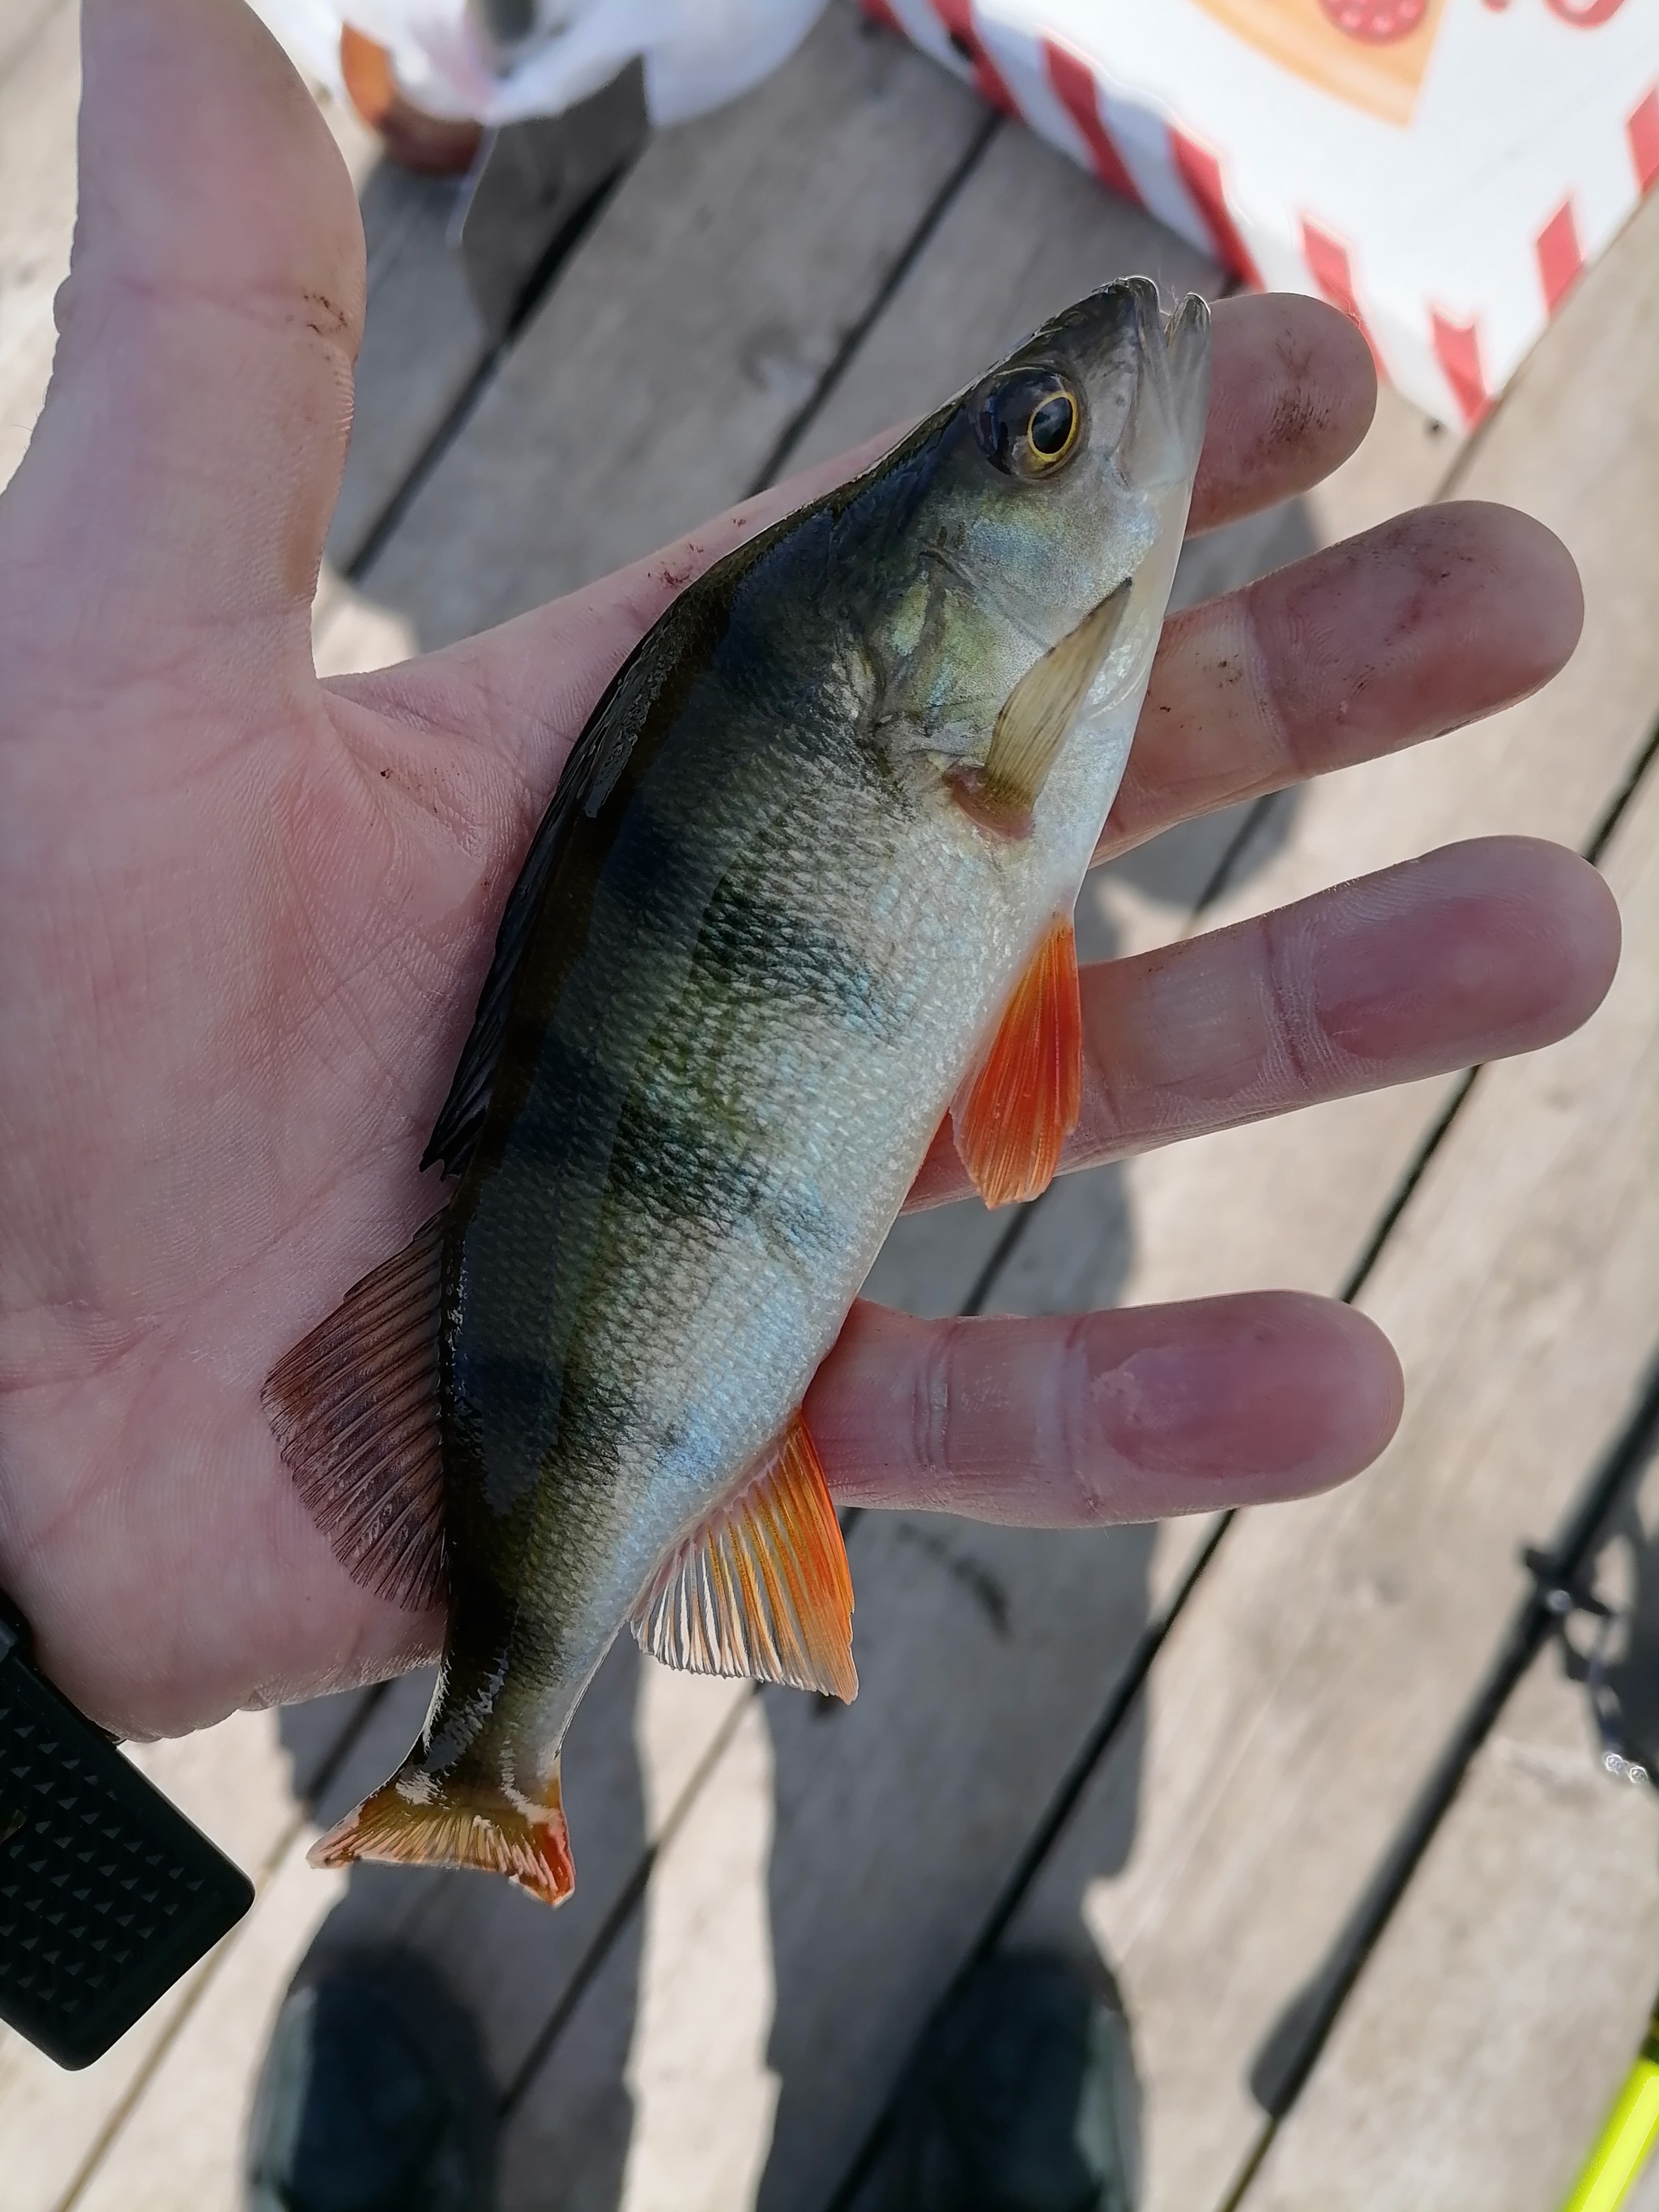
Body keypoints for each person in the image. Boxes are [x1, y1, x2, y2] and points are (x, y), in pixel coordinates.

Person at [0, 2, 1620, 2205]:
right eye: (1043, 439)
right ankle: (513, 1749)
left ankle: (491, 1781)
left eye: (1031, 430)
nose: (1092, 402)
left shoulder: (952, 701)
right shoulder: (958, 724)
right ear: (939, 612)